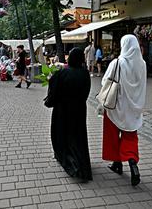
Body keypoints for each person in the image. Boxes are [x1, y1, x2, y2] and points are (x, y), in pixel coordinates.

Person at [101, 35, 146, 186]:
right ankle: (133, 164)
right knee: (130, 136)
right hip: (133, 108)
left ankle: (117, 164)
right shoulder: (143, 64)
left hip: (116, 106)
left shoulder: (117, 62)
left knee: (112, 135)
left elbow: (105, 81)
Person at [46, 47, 92, 181]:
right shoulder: (84, 73)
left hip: (62, 110)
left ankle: (67, 159)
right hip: (78, 110)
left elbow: (53, 92)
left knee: (62, 133)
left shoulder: (62, 73)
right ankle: (80, 161)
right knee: (77, 136)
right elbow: (86, 92)